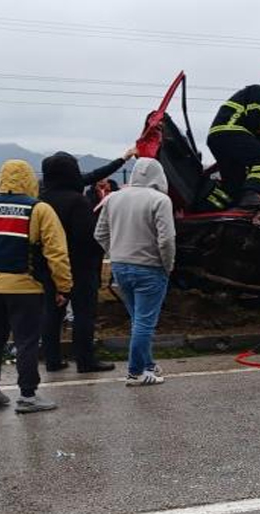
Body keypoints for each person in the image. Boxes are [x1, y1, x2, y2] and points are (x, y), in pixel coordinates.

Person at [0, 159, 72, 414]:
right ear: (30, 180)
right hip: (26, 287)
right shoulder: (40, 209)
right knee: (27, 342)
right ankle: (28, 395)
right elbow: (57, 254)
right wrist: (63, 287)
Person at [38, 150, 135, 373]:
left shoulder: (42, 199)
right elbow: (88, 237)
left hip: (49, 267)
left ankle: (52, 360)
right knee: (83, 314)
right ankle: (85, 360)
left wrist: (123, 158)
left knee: (51, 314)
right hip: (80, 268)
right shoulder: (77, 201)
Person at [94, 157, 175, 387]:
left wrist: (116, 252)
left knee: (137, 320)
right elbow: (167, 239)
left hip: (120, 267)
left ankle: (148, 364)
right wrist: (168, 265)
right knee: (144, 322)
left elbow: (99, 233)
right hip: (150, 268)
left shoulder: (114, 197)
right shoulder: (160, 200)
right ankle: (135, 372)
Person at [204, 73, 260, 210]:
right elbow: (257, 122)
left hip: (217, 138)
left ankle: (207, 209)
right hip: (230, 132)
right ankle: (251, 194)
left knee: (234, 183)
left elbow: (255, 124)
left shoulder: (253, 94)